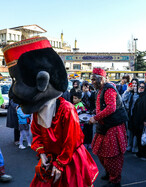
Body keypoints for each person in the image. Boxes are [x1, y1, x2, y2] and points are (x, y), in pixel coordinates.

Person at [2, 37, 98, 186]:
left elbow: (70, 141)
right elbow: (37, 133)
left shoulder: (66, 109)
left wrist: (60, 164)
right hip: (50, 158)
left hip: (69, 161)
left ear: (43, 81)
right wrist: (42, 154)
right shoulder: (37, 110)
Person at [90, 68, 128, 187]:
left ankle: (115, 181)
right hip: (104, 126)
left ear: (101, 79)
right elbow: (102, 106)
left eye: (94, 79)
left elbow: (111, 108)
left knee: (112, 156)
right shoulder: (101, 89)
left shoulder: (109, 89)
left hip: (112, 127)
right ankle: (109, 172)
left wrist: (95, 118)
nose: (92, 82)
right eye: (92, 79)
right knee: (101, 153)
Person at [131, 82, 146, 160]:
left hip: (144, 121)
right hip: (139, 121)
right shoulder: (141, 96)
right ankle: (141, 153)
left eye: (142, 87)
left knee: (145, 137)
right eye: (139, 87)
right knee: (140, 136)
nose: (140, 88)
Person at [122, 78, 139, 153]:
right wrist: (128, 90)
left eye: (135, 84)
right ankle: (129, 145)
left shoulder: (138, 93)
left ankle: (134, 147)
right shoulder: (129, 93)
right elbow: (123, 99)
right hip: (129, 115)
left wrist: (135, 92)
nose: (134, 85)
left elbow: (136, 101)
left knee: (135, 131)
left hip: (136, 115)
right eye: (133, 83)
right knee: (129, 131)